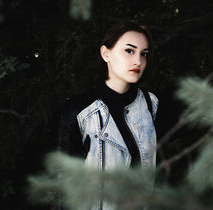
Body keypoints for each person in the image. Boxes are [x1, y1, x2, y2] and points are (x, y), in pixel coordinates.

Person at [58, 20, 159, 172]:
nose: (138, 61)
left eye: (144, 54)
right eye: (129, 51)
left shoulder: (150, 103)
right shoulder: (78, 111)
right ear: (106, 54)